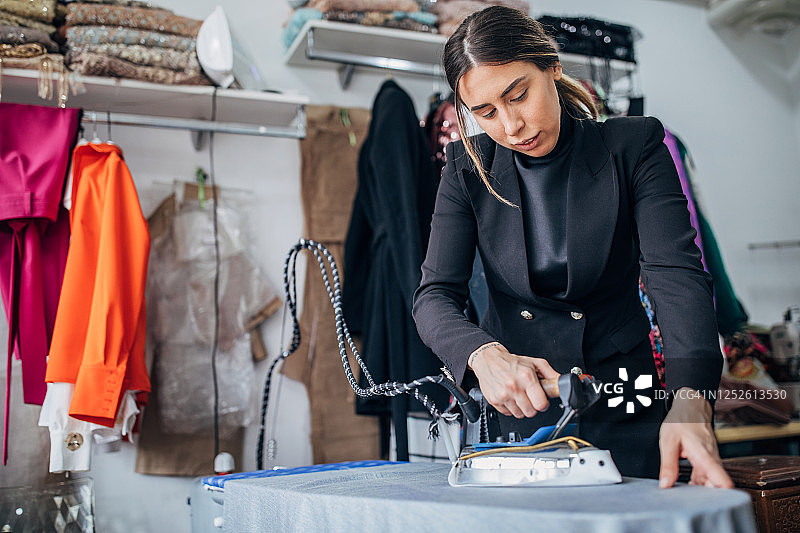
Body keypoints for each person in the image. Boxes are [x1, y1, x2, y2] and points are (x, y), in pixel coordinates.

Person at [412, 5, 733, 488]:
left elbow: (676, 274)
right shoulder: (465, 168)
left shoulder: (636, 146)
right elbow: (434, 296)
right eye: (486, 112)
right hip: (523, 407)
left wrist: (692, 396)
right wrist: (482, 355)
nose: (511, 125)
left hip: (626, 396)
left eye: (518, 96)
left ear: (552, 67)